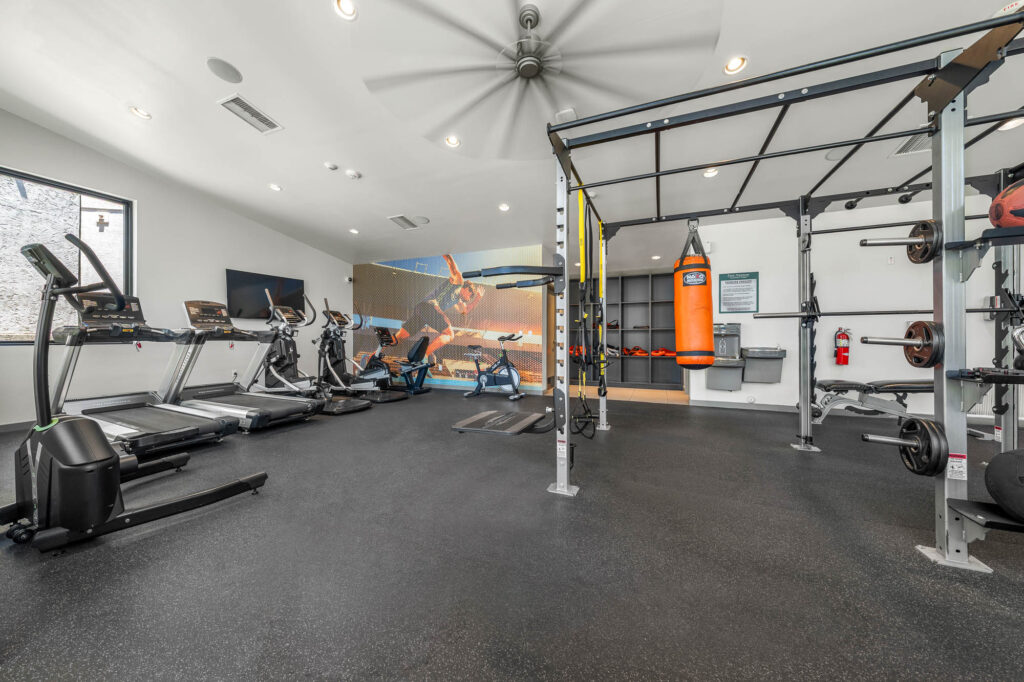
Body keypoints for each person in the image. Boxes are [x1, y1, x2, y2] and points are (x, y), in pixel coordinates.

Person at [394, 254, 483, 360]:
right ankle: (423, 356)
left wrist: (478, 298)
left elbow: (465, 310)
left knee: (401, 336)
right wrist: (444, 251)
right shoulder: (459, 282)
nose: (469, 298)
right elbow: (452, 265)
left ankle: (379, 351)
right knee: (449, 334)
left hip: (422, 310)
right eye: (471, 295)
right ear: (467, 288)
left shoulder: (457, 300)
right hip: (430, 306)